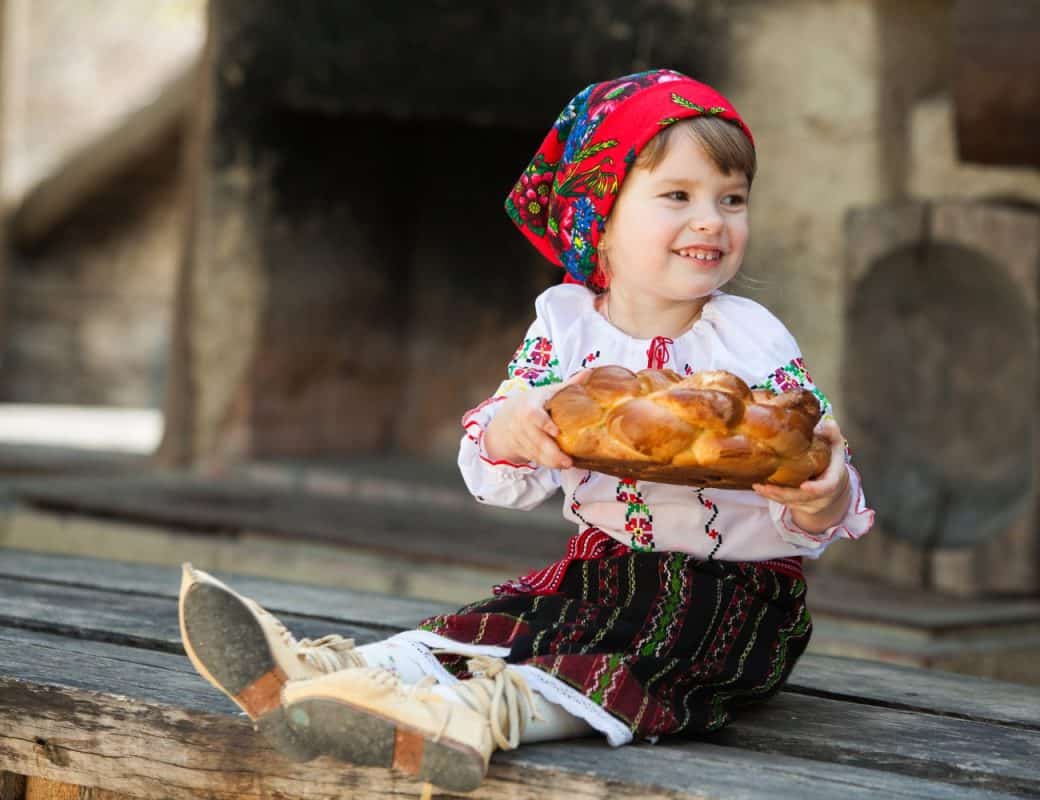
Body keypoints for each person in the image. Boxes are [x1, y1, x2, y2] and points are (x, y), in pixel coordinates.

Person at [178, 68, 874, 793]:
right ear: (597, 216)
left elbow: (807, 448)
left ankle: (481, 716)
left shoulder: (748, 340)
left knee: (642, 659)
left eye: (732, 199)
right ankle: (327, 677)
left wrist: (823, 498)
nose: (713, 220)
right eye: (679, 196)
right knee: (505, 622)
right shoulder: (566, 330)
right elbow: (500, 461)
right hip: (602, 570)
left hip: (733, 596)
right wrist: (513, 432)